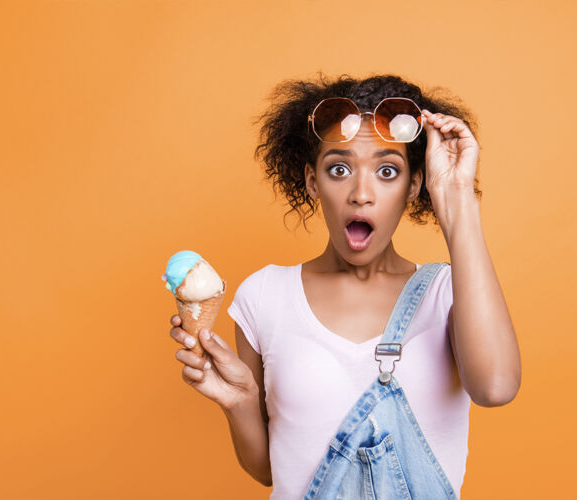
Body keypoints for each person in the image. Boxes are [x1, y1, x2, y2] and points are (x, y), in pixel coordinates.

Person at [168, 73, 521, 499]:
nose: (361, 194)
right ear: (313, 181)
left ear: (414, 185)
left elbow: (496, 388)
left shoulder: (449, 292)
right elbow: (268, 471)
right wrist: (239, 403)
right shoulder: (264, 296)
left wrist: (456, 193)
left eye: (387, 171)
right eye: (339, 169)